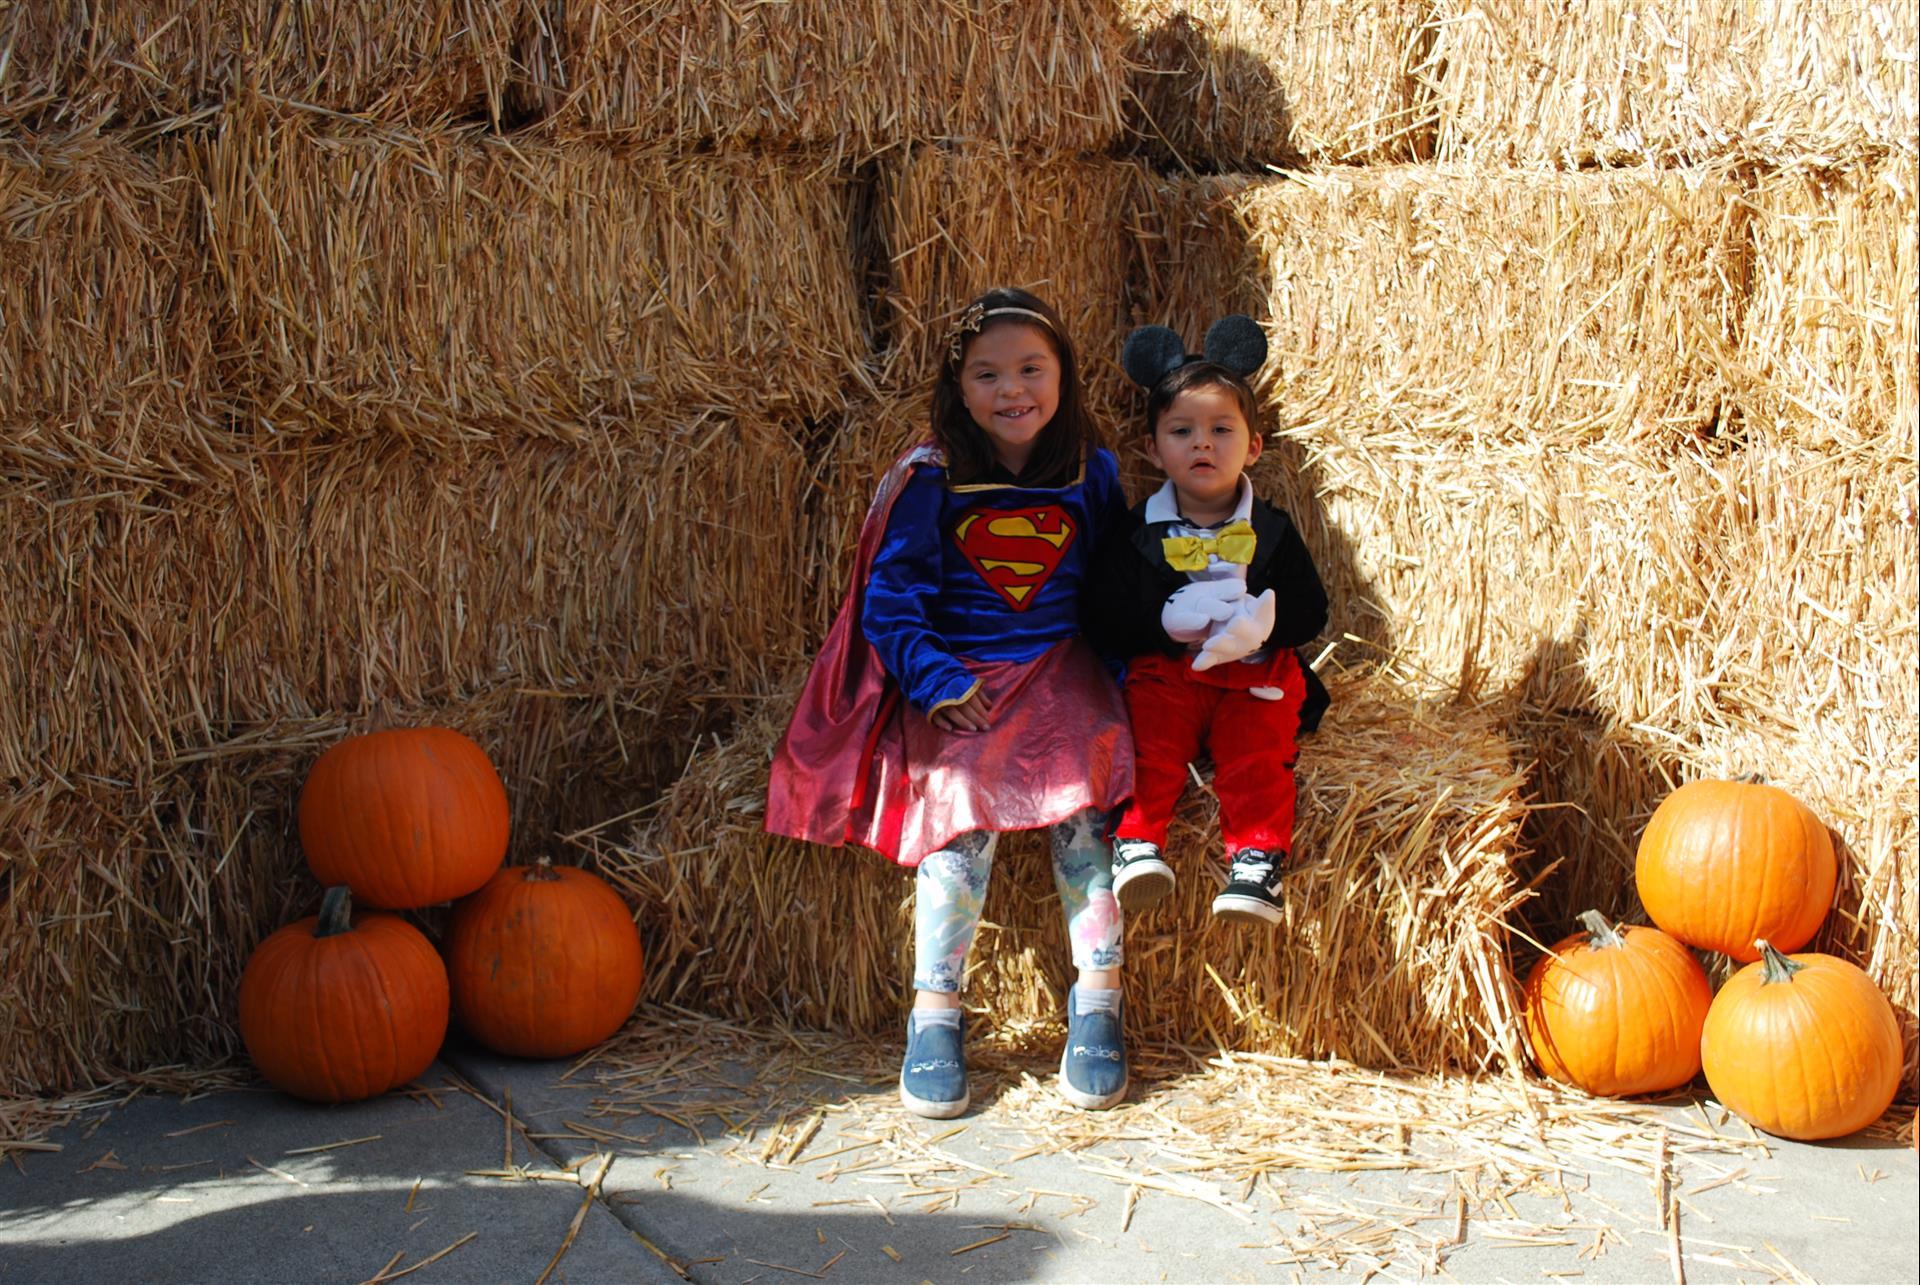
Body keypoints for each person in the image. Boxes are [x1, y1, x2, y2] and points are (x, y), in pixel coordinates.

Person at [766, 288, 1135, 1118]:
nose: (1014, 390)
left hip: (1060, 670)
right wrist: (935, 679)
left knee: (1086, 807)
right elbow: (890, 598)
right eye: (988, 373)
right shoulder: (934, 479)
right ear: (957, 388)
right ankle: (936, 1010)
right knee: (957, 816)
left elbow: (1116, 585)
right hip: (962, 678)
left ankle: (1100, 998)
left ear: (1064, 377)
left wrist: (1126, 677)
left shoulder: (1091, 470)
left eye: (1032, 369)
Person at [1085, 316, 1329, 926]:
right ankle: (1136, 843)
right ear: (1153, 447)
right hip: (1171, 674)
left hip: (1252, 673)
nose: (1203, 444)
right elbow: (1101, 612)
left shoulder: (1270, 530)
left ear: (1252, 446)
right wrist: (1162, 619)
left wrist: (1263, 626)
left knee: (1259, 751)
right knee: (1150, 740)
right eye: (1182, 430)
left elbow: (1312, 609)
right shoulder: (1138, 531)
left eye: (1221, 430)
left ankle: (1256, 864)